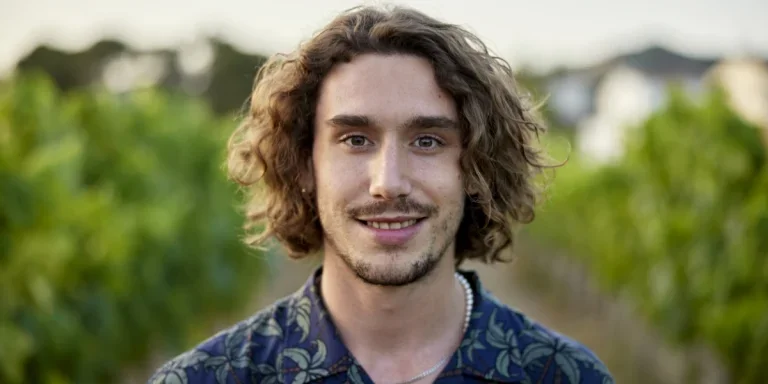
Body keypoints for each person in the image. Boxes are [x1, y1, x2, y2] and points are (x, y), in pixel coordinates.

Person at [148, 4, 614, 384]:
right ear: (304, 163)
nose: (388, 181)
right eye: (355, 139)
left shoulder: (566, 376)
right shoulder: (205, 379)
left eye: (427, 141)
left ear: (476, 168)